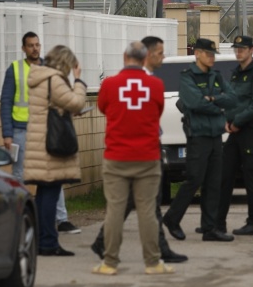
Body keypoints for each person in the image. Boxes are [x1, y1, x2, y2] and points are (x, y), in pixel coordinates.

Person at [91, 36, 188, 264]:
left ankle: (109, 258)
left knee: (116, 209)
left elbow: (104, 108)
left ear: (125, 57)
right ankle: (154, 260)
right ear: (145, 56)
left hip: (117, 155)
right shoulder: (155, 85)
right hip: (147, 154)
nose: (162, 57)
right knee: (148, 210)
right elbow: (157, 110)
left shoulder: (109, 84)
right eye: (159, 53)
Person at [163, 38, 236, 243]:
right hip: (198, 135)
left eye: (213, 54)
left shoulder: (216, 76)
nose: (212, 58)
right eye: (208, 54)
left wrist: (211, 100)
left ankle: (209, 228)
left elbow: (232, 98)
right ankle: (172, 218)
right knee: (194, 179)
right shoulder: (188, 77)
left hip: (215, 135)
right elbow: (193, 103)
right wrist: (217, 104)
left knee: (214, 182)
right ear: (197, 54)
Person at [24, 45, 89, 256]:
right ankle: (49, 243)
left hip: (39, 143)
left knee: (44, 194)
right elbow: (76, 102)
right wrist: (79, 81)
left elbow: (54, 107)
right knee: (50, 194)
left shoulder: (39, 77)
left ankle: (43, 240)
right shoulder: (54, 79)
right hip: (51, 146)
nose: (71, 70)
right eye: (70, 66)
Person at [216, 36, 253, 237]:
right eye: (236, 49)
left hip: (251, 132)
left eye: (242, 49)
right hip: (235, 131)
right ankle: (218, 223)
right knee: (225, 175)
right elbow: (232, 100)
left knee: (251, 178)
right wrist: (226, 119)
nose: (238, 52)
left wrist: (237, 121)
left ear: (251, 50)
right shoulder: (236, 74)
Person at [1, 32, 41, 181]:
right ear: (23, 48)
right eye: (30, 45)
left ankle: (57, 206)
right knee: (19, 174)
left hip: (44, 130)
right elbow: (6, 102)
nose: (35, 48)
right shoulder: (14, 69)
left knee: (51, 175)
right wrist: (7, 134)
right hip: (20, 131)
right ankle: (18, 204)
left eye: (37, 45)